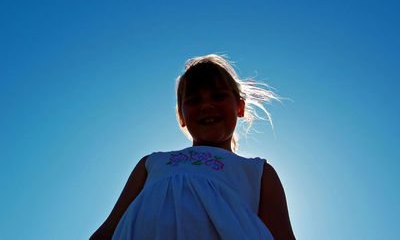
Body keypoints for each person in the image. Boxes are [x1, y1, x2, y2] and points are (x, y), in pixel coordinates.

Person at [90, 54, 295, 240]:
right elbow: (110, 228)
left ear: (240, 107)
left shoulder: (258, 171)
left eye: (218, 96)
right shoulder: (152, 163)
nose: (206, 106)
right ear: (182, 117)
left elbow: (281, 235)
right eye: (194, 100)